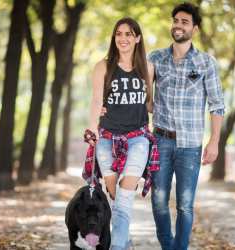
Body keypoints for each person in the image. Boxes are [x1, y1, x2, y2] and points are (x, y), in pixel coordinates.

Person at [148, 3, 225, 250]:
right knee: (158, 201)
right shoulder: (155, 58)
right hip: (160, 140)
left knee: (184, 205)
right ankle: (168, 247)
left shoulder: (206, 63)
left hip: (191, 145)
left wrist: (214, 141)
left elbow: (217, 105)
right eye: (176, 20)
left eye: (184, 22)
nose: (178, 25)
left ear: (195, 28)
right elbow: (142, 96)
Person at [83, 17, 159, 250]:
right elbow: (96, 101)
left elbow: (149, 104)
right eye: (119, 34)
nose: (123, 38)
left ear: (137, 38)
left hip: (138, 139)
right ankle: (124, 242)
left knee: (125, 198)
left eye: (128, 34)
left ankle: (116, 247)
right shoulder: (103, 66)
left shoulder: (148, 67)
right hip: (107, 139)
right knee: (116, 197)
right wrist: (91, 128)